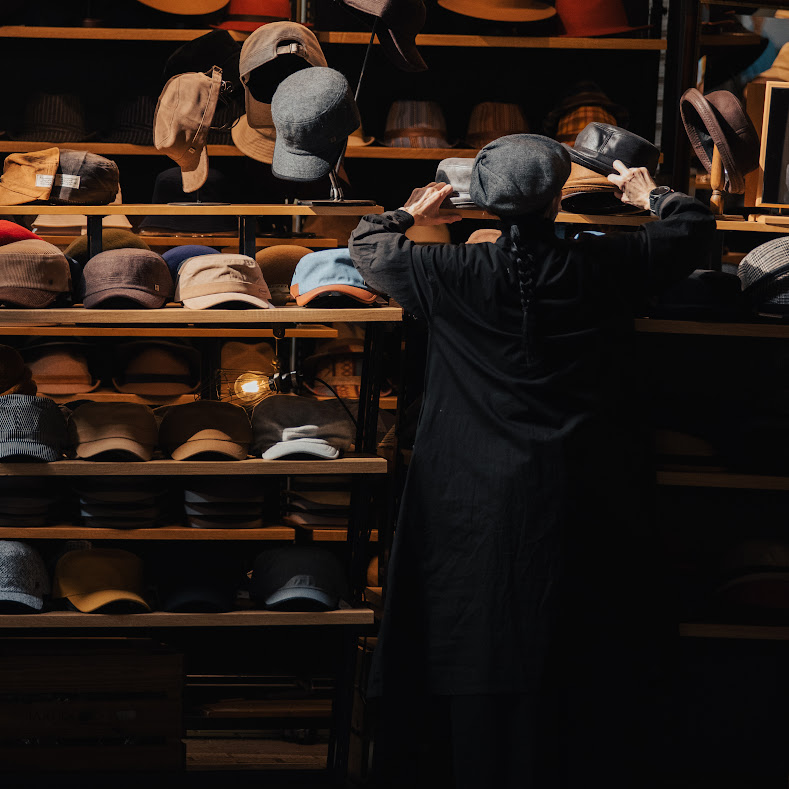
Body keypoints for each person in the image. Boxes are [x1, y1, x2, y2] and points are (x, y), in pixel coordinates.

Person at [348, 134, 716, 788]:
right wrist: (648, 194)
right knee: (577, 639)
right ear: (555, 200)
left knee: (474, 632)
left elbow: (368, 244)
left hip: (469, 496)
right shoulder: (606, 263)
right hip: (581, 488)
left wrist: (413, 210)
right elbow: (692, 227)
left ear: (486, 204)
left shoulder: (447, 271)